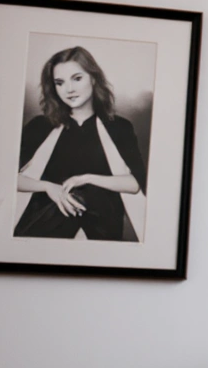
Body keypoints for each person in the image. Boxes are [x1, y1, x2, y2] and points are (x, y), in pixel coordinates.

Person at [14, 46, 147, 241]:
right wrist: (48, 187)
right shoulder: (39, 127)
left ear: (93, 78)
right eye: (60, 83)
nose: (69, 89)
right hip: (44, 228)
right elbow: (8, 180)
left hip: (102, 229)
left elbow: (134, 184)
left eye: (77, 78)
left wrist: (87, 178)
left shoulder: (119, 127)